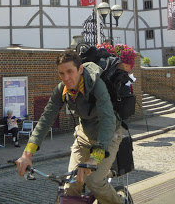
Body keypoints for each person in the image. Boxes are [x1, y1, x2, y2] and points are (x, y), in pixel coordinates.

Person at [15, 48, 126, 204]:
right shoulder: (62, 90)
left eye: (70, 71)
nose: (66, 78)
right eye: (61, 73)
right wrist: (28, 153)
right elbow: (46, 119)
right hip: (83, 135)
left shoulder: (96, 84)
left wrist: (96, 157)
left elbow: (108, 119)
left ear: (80, 69)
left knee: (94, 182)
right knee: (71, 185)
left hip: (108, 136)